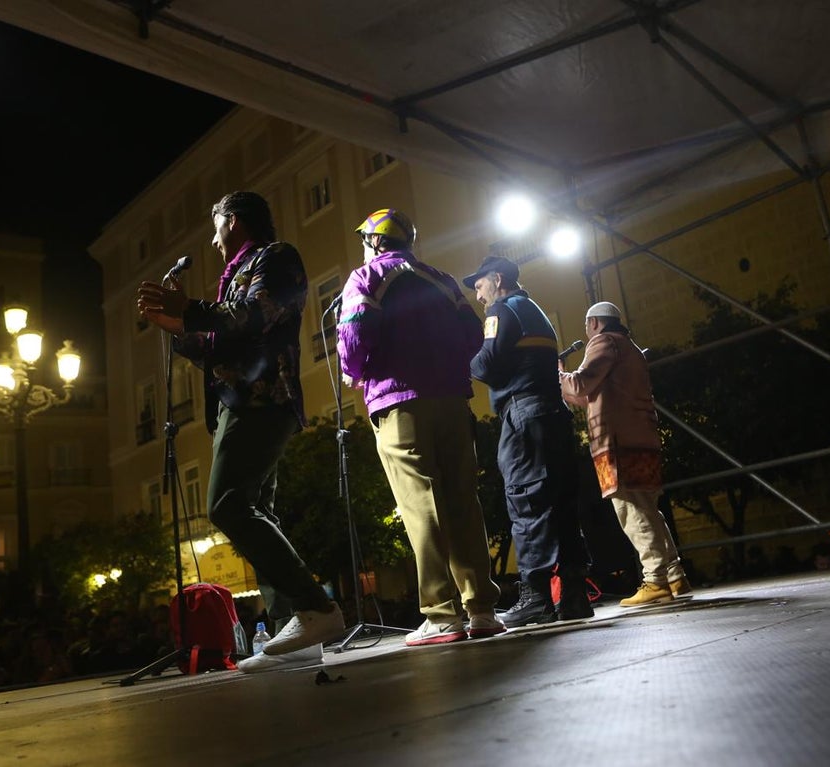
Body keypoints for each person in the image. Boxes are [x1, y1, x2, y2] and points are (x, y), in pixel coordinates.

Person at [136, 191, 343, 672]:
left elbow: (255, 315)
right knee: (255, 511)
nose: (211, 239)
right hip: (241, 402)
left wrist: (190, 310)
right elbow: (218, 344)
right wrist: (176, 326)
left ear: (233, 221)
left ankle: (318, 608)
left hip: (263, 400)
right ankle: (297, 632)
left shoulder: (277, 258)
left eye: (215, 227)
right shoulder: (235, 278)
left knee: (227, 505)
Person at [337, 209, 504, 646]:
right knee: (462, 501)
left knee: (421, 506)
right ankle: (482, 609)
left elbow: (353, 335)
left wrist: (353, 372)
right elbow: (473, 335)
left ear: (375, 241)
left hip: (398, 403)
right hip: (452, 399)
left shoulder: (366, 277)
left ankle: (442, 613)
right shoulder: (443, 279)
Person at [464, 255, 593, 626]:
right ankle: (574, 597)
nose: (477, 293)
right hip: (553, 414)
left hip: (522, 415)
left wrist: (464, 359)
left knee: (527, 501)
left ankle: (535, 597)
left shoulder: (501, 311)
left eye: (479, 284)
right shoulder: (534, 309)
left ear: (498, 279)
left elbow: (486, 364)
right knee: (563, 505)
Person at [558, 301, 691, 606]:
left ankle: (655, 579)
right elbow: (588, 396)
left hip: (617, 441)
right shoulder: (629, 348)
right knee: (647, 507)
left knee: (631, 509)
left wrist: (558, 376)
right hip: (640, 437)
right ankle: (674, 574)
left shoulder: (604, 342)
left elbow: (579, 384)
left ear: (594, 323)